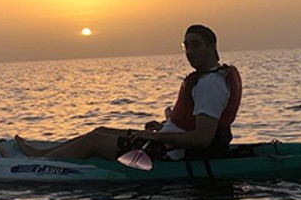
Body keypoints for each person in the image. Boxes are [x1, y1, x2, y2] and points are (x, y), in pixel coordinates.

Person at [15, 24, 241, 161]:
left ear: (212, 46)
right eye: (186, 46)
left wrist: (155, 136)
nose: (189, 52)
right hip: (166, 144)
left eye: (196, 45)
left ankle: (39, 163)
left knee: (94, 141)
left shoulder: (211, 84)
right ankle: (41, 154)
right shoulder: (205, 79)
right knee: (100, 129)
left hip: (167, 154)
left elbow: (202, 139)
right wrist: (164, 127)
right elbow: (191, 125)